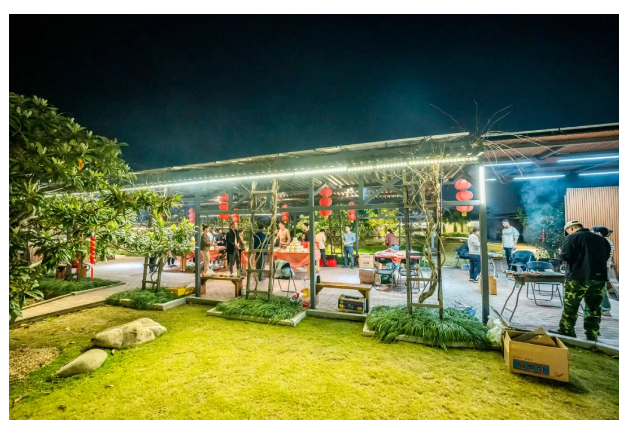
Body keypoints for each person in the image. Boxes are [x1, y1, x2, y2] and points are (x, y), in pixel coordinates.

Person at [552, 220, 611, 341]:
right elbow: (606, 255)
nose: (568, 234)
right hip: (598, 278)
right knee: (594, 307)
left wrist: (560, 254)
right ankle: (592, 333)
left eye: (568, 231)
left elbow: (567, 256)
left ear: (571, 228)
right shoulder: (602, 239)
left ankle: (567, 330)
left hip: (578, 278)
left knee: (571, 305)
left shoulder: (573, 237)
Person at [587, 226, 614, 317]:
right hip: (604, 267)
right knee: (600, 287)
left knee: (601, 288)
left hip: (601, 267)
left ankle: (605, 309)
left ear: (598, 233)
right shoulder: (606, 241)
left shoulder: (602, 242)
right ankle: (602, 308)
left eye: (592, 231)